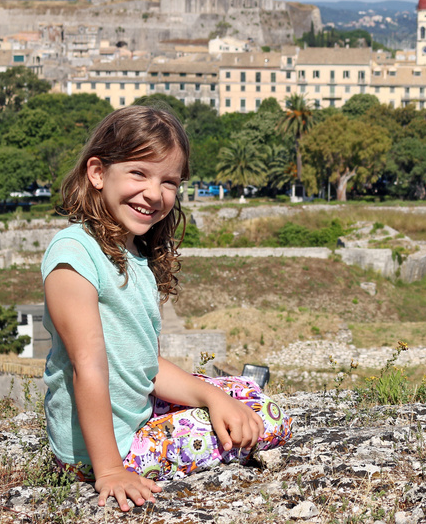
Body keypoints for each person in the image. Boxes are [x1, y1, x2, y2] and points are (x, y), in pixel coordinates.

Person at [41, 106, 291, 511]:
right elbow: (88, 366)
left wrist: (213, 398)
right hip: (99, 452)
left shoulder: (134, 253)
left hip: (131, 415)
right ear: (97, 173)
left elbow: (146, 365)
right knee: (271, 418)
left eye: (169, 182)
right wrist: (109, 471)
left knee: (239, 395)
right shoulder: (74, 255)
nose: (155, 194)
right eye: (139, 173)